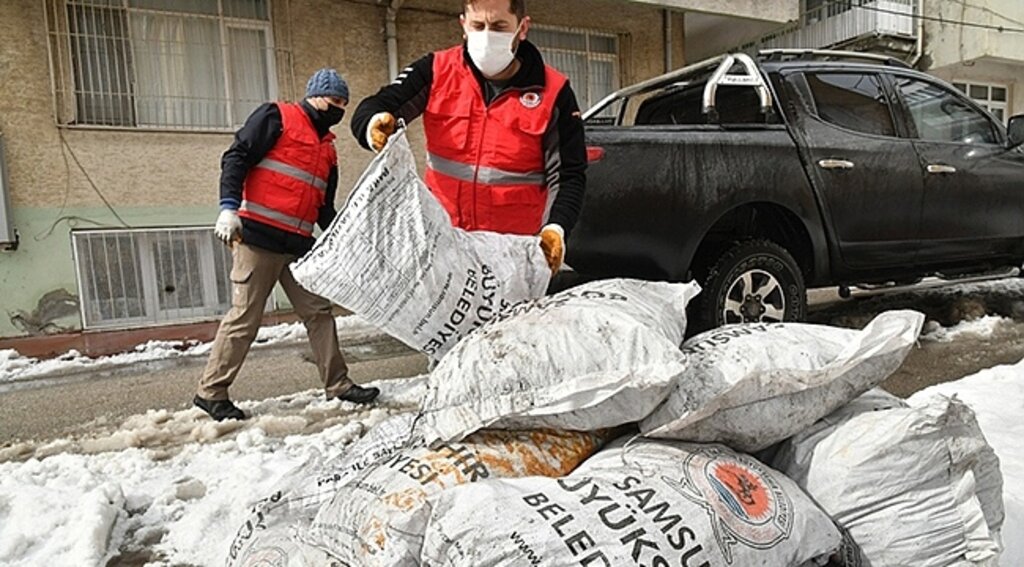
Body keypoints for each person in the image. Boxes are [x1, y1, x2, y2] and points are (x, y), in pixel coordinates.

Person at [194, 68, 380, 422]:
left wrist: (343, 240)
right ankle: (211, 392)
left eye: (344, 103)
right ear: (314, 96)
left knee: (319, 314)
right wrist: (228, 208)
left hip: (298, 246)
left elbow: (324, 206)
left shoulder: (329, 149)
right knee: (245, 318)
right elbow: (236, 157)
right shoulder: (276, 116)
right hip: (257, 239)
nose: (339, 108)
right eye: (334, 100)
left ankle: (338, 384)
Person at [351, 0, 586, 274]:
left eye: (499, 26)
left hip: (514, 256)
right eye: (478, 25)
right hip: (444, 246)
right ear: (464, 25)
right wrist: (373, 125)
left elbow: (569, 174)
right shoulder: (436, 71)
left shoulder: (554, 92)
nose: (487, 35)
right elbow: (374, 107)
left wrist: (555, 228)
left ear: (522, 28)